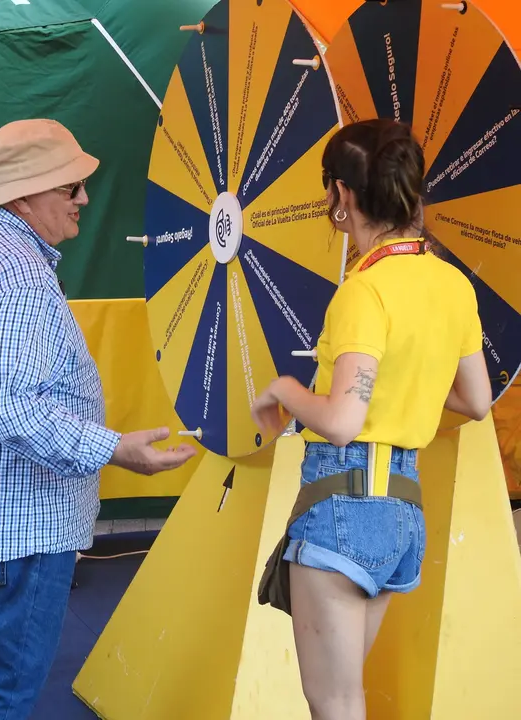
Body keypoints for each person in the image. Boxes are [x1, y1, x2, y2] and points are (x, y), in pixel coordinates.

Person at [0, 118, 198, 720]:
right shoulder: (17, 275)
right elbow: (15, 409)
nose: (84, 200)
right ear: (25, 192)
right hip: (12, 530)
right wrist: (117, 450)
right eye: (71, 188)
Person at [250, 118, 492, 720]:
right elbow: (476, 401)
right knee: (347, 695)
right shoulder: (452, 284)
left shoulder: (365, 290)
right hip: (402, 510)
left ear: (343, 195)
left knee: (334, 704)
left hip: (343, 504)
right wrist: (402, 387)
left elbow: (340, 422)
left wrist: (283, 388)